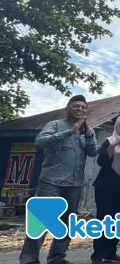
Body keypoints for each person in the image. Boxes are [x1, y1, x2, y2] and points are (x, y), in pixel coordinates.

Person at [19, 95, 98, 264]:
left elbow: (93, 152)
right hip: (51, 182)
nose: (80, 110)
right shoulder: (54, 125)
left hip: (75, 184)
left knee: (67, 224)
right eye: (76, 106)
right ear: (67, 108)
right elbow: (39, 142)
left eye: (83, 108)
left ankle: (57, 257)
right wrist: (70, 131)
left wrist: (89, 134)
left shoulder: (87, 132)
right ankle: (29, 259)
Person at [91, 114, 120, 264]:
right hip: (107, 186)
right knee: (104, 220)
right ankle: (97, 254)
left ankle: (110, 251)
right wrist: (115, 143)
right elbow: (102, 161)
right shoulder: (109, 140)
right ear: (117, 125)